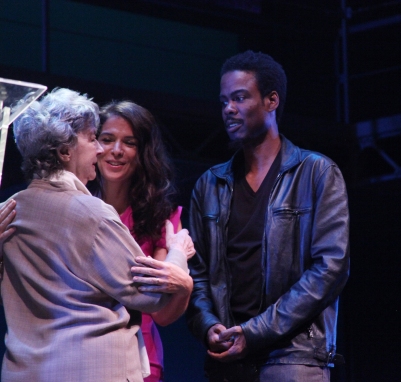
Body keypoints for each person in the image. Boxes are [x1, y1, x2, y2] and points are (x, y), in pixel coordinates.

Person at [1, 88, 192, 381]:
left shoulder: (9, 209)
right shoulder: (93, 214)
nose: (102, 150)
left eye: (129, 142)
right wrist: (178, 253)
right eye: (94, 139)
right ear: (65, 152)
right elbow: (152, 296)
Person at [186, 50, 350, 381]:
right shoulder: (209, 185)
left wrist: (257, 332)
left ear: (271, 101)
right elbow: (196, 273)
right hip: (227, 360)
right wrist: (207, 326)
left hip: (293, 359)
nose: (228, 109)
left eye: (240, 98)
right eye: (223, 101)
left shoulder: (316, 173)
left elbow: (330, 268)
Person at [91, 100, 194, 382]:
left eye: (129, 142)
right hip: (80, 354)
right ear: (93, 145)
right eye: (107, 139)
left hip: (140, 360)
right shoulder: (75, 207)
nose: (116, 150)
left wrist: (184, 288)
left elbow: (160, 312)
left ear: (143, 152)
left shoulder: (163, 217)